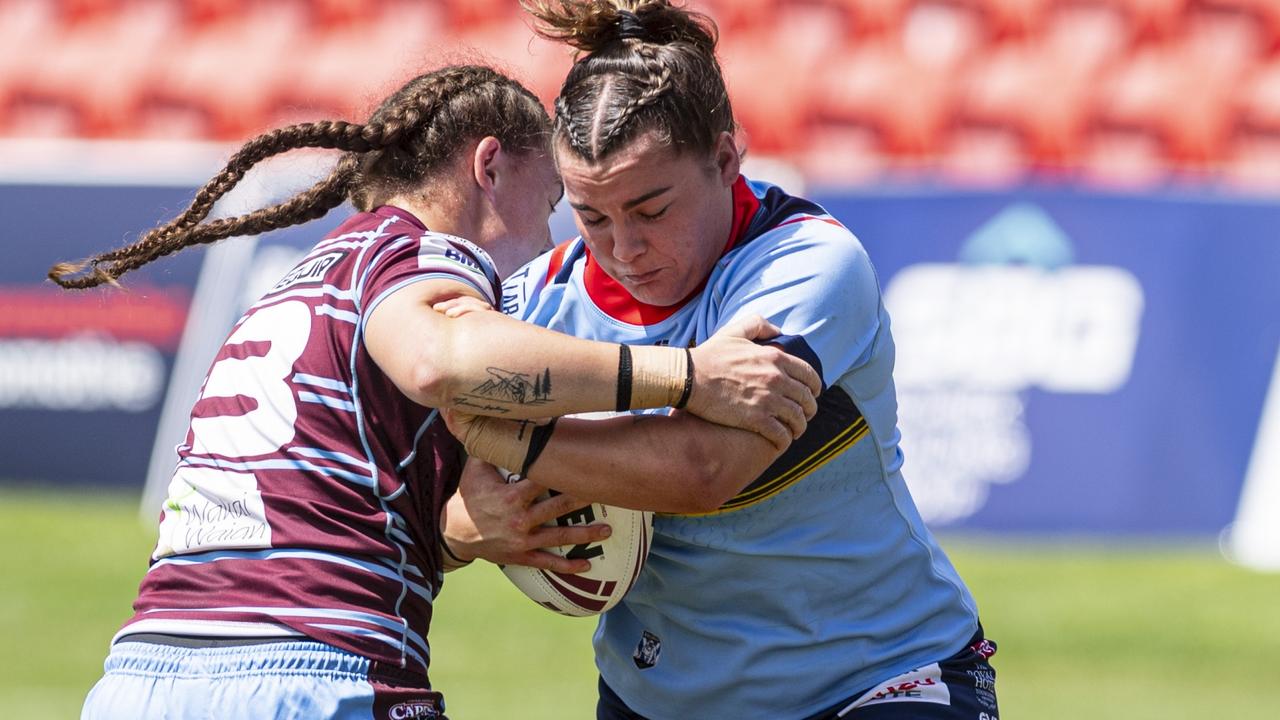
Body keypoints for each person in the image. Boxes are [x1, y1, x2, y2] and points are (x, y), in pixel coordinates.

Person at [54, 64, 820, 720]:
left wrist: (454, 534)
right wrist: (687, 377)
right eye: (551, 202)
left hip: (142, 679)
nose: (552, 241)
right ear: (489, 167)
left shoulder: (304, 278)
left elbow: (326, 499)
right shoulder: (419, 252)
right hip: (311, 675)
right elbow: (441, 360)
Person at [443, 2, 1001, 718]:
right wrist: (465, 526)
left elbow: (704, 470)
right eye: (591, 215)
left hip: (883, 677)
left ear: (727, 160)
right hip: (656, 700)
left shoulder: (806, 265)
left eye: (650, 210)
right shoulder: (532, 306)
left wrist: (497, 429)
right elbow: (405, 503)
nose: (623, 247)